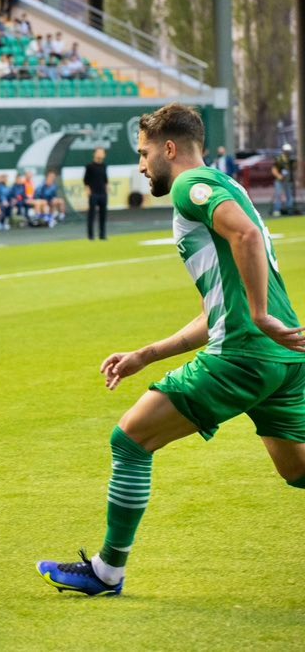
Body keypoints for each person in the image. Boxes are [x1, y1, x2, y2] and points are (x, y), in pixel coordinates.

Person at [37, 103, 305, 596]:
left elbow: (244, 240)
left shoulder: (188, 185)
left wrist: (262, 315)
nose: (141, 166)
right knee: (298, 470)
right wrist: (147, 354)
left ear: (169, 148)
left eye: (142, 154)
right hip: (285, 358)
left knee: (131, 439)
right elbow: (217, 309)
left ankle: (106, 571)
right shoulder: (233, 187)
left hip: (246, 353)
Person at [84, 147, 109, 240]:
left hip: (103, 193)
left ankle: (102, 235)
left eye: (102, 153)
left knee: (103, 215)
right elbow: (86, 180)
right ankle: (91, 236)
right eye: (98, 152)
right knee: (92, 215)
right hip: (93, 193)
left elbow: (105, 179)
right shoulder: (89, 166)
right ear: (94, 154)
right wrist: (88, 191)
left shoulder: (104, 166)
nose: (100, 154)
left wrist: (106, 188)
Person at [272, 144, 297, 217]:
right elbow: (274, 169)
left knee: (289, 195)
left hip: (288, 180)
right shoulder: (279, 159)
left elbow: (294, 168)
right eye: (286, 151)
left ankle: (290, 209)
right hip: (279, 181)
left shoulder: (291, 160)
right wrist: (279, 176)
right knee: (278, 195)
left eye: (288, 151)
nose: (287, 153)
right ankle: (277, 209)